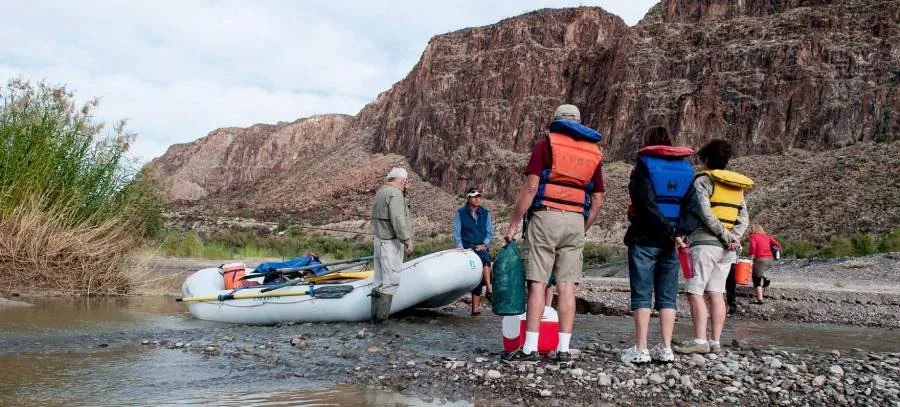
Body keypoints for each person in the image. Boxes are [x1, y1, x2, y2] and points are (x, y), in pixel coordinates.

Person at [502, 104, 605, 365]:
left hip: (545, 217)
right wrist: (583, 227)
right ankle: (564, 351)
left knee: (537, 283)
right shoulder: (593, 153)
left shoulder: (545, 146)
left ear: (557, 122)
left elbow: (530, 188)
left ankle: (530, 349)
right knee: (567, 286)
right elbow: (598, 199)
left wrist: (514, 224)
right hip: (575, 221)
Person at [620, 127, 694, 364]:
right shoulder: (687, 168)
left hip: (645, 238)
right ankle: (666, 348)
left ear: (648, 142)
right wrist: (679, 232)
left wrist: (668, 231)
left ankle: (641, 349)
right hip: (672, 242)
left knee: (642, 293)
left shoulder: (644, 164)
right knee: (668, 296)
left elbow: (644, 202)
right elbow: (692, 206)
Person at [674, 139, 752, 354]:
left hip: (705, 245)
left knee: (694, 291)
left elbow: (705, 213)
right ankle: (715, 341)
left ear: (706, 159)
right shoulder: (736, 186)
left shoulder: (703, 181)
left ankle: (700, 342)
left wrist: (726, 236)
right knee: (717, 292)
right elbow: (744, 219)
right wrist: (733, 238)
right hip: (728, 250)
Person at [370, 167, 413, 323]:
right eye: (406, 181)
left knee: (378, 281)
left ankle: (374, 320)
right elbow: (398, 220)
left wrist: (404, 193)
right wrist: (407, 240)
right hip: (390, 244)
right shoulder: (395, 194)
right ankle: (382, 322)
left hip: (378, 241)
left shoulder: (381, 192)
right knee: (390, 282)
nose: (406, 184)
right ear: (402, 180)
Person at [453, 187, 494, 316]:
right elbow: (457, 233)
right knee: (485, 259)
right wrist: (461, 248)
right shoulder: (460, 213)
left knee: (479, 275)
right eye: (474, 197)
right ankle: (489, 288)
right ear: (468, 198)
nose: (477, 199)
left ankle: (475, 310)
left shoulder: (485, 213)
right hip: (468, 247)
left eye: (478, 196)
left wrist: (485, 244)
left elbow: (489, 232)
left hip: (481, 246)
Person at [748, 224, 781, 304]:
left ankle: (760, 299)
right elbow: (778, 245)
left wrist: (751, 257)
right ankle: (765, 278)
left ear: (752, 230)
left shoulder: (753, 237)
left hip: (760, 259)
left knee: (756, 279)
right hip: (770, 259)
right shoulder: (767, 236)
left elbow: (753, 247)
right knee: (760, 271)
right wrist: (775, 252)